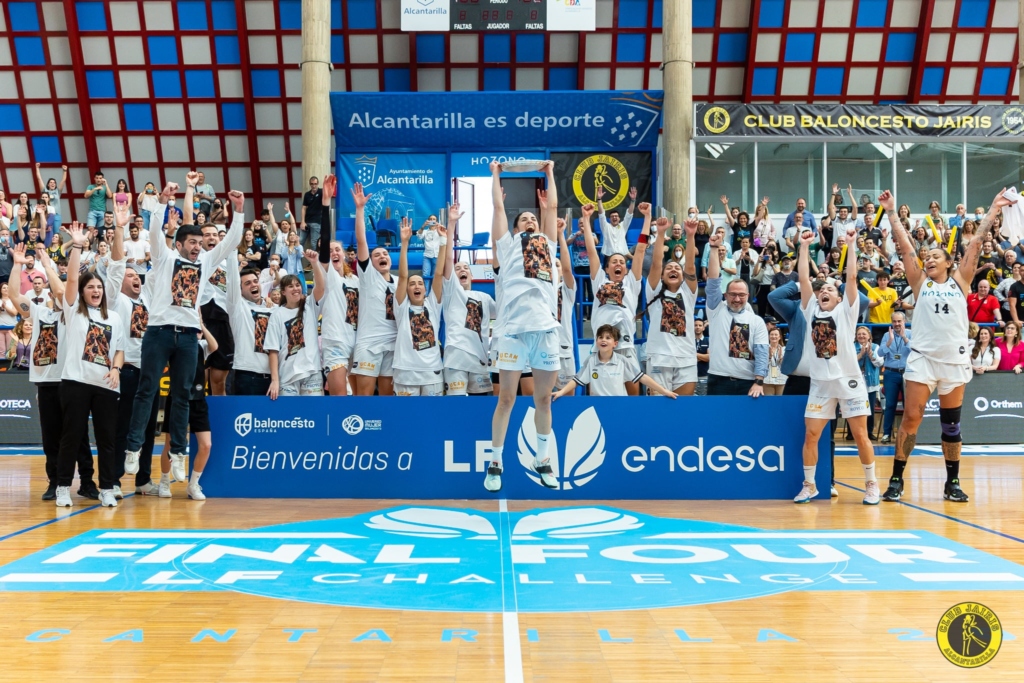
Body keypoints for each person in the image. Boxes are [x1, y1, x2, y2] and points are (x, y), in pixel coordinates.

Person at [878, 189, 1007, 503]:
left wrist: (992, 209)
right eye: (928, 257)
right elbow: (905, 246)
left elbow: (975, 243)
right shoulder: (919, 282)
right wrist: (891, 212)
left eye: (936, 256)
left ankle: (952, 483)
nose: (929, 259)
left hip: (953, 361)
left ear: (950, 263)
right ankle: (896, 479)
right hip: (923, 360)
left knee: (951, 425)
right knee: (911, 419)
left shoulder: (960, 282)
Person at [123, 184, 244, 487]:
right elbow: (154, 233)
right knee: (147, 390)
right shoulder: (164, 258)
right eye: (192, 242)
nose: (197, 247)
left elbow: (231, 242)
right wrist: (161, 204)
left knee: (182, 395)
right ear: (178, 244)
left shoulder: (206, 261)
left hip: (189, 336)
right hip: (159, 332)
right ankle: (133, 448)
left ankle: (178, 452)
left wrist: (239, 212)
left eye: (200, 243)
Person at [485, 160, 561, 492]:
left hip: (545, 329)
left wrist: (550, 173)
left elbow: (552, 207)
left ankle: (542, 459)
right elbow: (497, 208)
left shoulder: (547, 245)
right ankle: (495, 463)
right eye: (524, 219)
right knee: (506, 399)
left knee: (543, 400)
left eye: (534, 218)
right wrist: (495, 174)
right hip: (512, 331)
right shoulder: (507, 247)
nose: (530, 220)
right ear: (515, 229)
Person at [794, 227, 878, 505]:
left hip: (849, 380)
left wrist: (851, 245)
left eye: (830, 288)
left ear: (840, 297)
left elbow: (851, 277)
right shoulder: (810, 309)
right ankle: (810, 485)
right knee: (811, 434)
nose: (824, 291)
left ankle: (871, 484)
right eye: (822, 290)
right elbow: (804, 278)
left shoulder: (846, 310)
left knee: (860, 435)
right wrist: (803, 247)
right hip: (820, 383)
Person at [6, 245, 97, 500]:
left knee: (78, 435)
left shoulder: (75, 311)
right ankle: (55, 481)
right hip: (46, 382)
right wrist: (17, 265)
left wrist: (47, 265)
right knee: (50, 436)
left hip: (71, 381)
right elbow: (13, 295)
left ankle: (87, 481)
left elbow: (60, 291)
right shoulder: (39, 312)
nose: (61, 293)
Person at [55, 223, 126, 508]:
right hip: (76, 383)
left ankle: (107, 487)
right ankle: (63, 487)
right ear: (83, 293)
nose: (95, 290)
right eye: (90, 287)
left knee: (107, 440)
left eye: (99, 287)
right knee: (71, 438)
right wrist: (77, 246)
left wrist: (116, 368)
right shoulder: (73, 310)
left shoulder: (114, 318)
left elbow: (119, 350)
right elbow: (72, 278)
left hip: (106, 385)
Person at [105, 200, 160, 497]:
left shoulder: (147, 298)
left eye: (136, 275)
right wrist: (120, 228)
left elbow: (158, 266)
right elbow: (116, 266)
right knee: (123, 426)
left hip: (149, 372)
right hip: (125, 371)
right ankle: (113, 480)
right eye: (130, 275)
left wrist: (160, 222)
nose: (135, 277)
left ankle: (143, 480)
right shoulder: (116, 299)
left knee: (149, 427)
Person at [580, 199, 649, 395]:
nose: (618, 264)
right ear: (607, 267)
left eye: (622, 262)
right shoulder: (599, 280)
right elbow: (591, 250)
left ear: (626, 268)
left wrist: (647, 218)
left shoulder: (631, 282)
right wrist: (586, 219)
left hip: (625, 346)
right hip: (601, 345)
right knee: (598, 396)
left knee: (632, 398)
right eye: (614, 261)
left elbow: (641, 250)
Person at [158, 322, 218, 500]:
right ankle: (164, 481)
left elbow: (215, 346)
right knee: (170, 444)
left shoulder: (202, 346)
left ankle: (193, 485)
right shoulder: (177, 344)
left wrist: (202, 326)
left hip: (198, 401)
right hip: (177, 399)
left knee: (206, 445)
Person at [441, 202, 496, 396]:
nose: (462, 270)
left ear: (471, 275)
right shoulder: (451, 291)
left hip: (480, 358)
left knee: (479, 405)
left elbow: (503, 313)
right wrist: (451, 224)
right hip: (456, 356)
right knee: (455, 405)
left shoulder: (484, 298)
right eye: (458, 268)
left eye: (466, 268)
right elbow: (448, 259)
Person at [705, 231, 768, 397]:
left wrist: (759, 381)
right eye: (733, 294)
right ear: (725, 295)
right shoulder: (716, 310)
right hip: (718, 379)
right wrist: (714, 248)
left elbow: (761, 351)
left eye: (741, 295)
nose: (737, 299)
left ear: (748, 296)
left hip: (748, 382)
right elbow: (713, 283)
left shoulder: (756, 321)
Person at [351, 182, 398, 396]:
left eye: (385, 254)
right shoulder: (368, 275)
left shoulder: (399, 282)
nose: (382, 256)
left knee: (387, 400)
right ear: (370, 261)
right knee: (364, 399)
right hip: (369, 343)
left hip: (393, 342)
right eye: (377, 255)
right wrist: (360, 209)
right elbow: (362, 241)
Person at [644, 217, 700, 395]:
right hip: (659, 358)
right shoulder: (654, 291)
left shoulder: (688, 293)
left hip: (686, 358)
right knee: (657, 408)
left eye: (677, 268)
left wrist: (690, 235)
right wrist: (661, 233)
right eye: (669, 268)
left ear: (683, 277)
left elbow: (690, 266)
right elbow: (656, 264)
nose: (673, 269)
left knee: (683, 407)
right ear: (662, 276)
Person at [314, 176, 359, 397]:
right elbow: (324, 240)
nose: (333, 252)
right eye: (330, 250)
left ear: (345, 254)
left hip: (358, 340)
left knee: (360, 400)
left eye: (337, 249)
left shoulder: (356, 281)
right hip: (335, 341)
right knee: (340, 399)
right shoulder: (329, 276)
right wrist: (325, 203)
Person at [391, 217, 446, 396]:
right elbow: (402, 277)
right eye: (412, 284)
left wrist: (443, 242)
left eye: (420, 283)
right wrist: (405, 243)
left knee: (433, 413)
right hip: (405, 372)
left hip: (432, 372)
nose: (416, 286)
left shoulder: (433, 304)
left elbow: (438, 274)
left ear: (425, 288)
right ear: (407, 289)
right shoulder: (401, 306)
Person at [553, 325, 676, 399]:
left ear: (615, 344)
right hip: (597, 406)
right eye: (600, 337)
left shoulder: (622, 361)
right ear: (596, 341)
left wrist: (664, 391)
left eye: (608, 338)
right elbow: (576, 380)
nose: (603, 340)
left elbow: (642, 377)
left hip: (618, 406)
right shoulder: (590, 360)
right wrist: (561, 392)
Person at [266, 251, 326, 399]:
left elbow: (320, 287)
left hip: (312, 372)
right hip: (287, 376)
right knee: (290, 414)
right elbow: (273, 350)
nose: (295, 289)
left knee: (314, 412)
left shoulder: (309, 306)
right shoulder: (276, 314)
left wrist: (314, 263)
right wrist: (275, 380)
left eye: (298, 285)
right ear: (283, 292)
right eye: (291, 286)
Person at [878, 311, 911, 443]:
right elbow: (880, 353)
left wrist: (904, 338)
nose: (897, 324)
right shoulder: (887, 335)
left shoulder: (911, 334)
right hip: (891, 373)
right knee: (890, 404)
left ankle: (907, 434)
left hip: (907, 373)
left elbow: (916, 350)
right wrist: (889, 342)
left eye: (899, 321)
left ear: (904, 322)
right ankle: (887, 433)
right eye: (894, 321)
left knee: (908, 405)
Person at [854, 326, 884, 438]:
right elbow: (849, 363)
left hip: (870, 383)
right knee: (854, 408)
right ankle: (852, 433)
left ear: (869, 336)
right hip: (855, 382)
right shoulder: (852, 347)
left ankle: (869, 432)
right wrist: (860, 354)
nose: (861, 336)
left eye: (864, 334)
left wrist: (871, 355)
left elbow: (879, 363)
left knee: (870, 408)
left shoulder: (875, 347)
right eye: (859, 334)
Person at [596, 186, 631, 266]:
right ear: (609, 219)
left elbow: (629, 215)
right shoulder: (605, 227)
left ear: (619, 218)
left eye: (616, 216)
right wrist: (599, 199)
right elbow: (601, 214)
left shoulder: (623, 226)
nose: (614, 217)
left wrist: (633, 201)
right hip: (608, 257)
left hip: (622, 257)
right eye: (612, 216)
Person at [419, 215, 447, 290]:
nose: (432, 221)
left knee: (436, 275)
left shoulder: (439, 230)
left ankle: (434, 293)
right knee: (426, 275)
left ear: (436, 221)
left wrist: (440, 227)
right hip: (427, 256)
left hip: (437, 256)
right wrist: (423, 226)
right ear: (428, 221)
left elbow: (446, 237)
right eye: (430, 219)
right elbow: (419, 235)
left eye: (434, 219)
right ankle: (426, 293)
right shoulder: (425, 231)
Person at [300, 176, 323, 249]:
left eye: (315, 184)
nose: (314, 186)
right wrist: (303, 221)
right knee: (300, 241)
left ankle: (316, 256)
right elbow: (304, 208)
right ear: (310, 184)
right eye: (312, 184)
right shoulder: (307, 194)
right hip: (307, 221)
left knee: (314, 242)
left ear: (318, 184)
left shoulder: (321, 192)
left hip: (316, 221)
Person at [763, 328, 787, 395]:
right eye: (772, 334)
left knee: (780, 400)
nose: (774, 336)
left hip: (781, 379)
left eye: (776, 334)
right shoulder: (764, 349)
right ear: (768, 336)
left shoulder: (784, 349)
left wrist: (781, 358)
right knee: (769, 400)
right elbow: (762, 365)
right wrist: (769, 357)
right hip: (767, 380)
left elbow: (786, 366)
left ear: (779, 337)